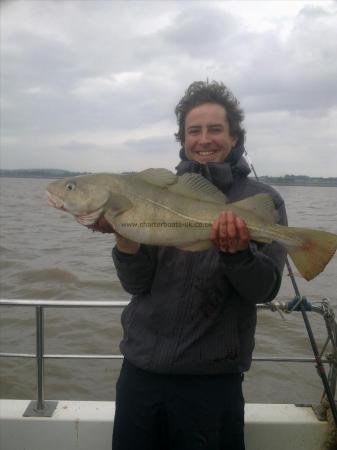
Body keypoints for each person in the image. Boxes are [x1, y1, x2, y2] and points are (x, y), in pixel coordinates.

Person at [101, 81, 287, 449]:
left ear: (234, 137)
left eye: (215, 129)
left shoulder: (262, 200)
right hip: (141, 374)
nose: (204, 139)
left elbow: (265, 289)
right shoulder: (157, 192)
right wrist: (125, 240)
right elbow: (137, 285)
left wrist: (238, 254)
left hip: (212, 383)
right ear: (183, 138)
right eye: (194, 131)